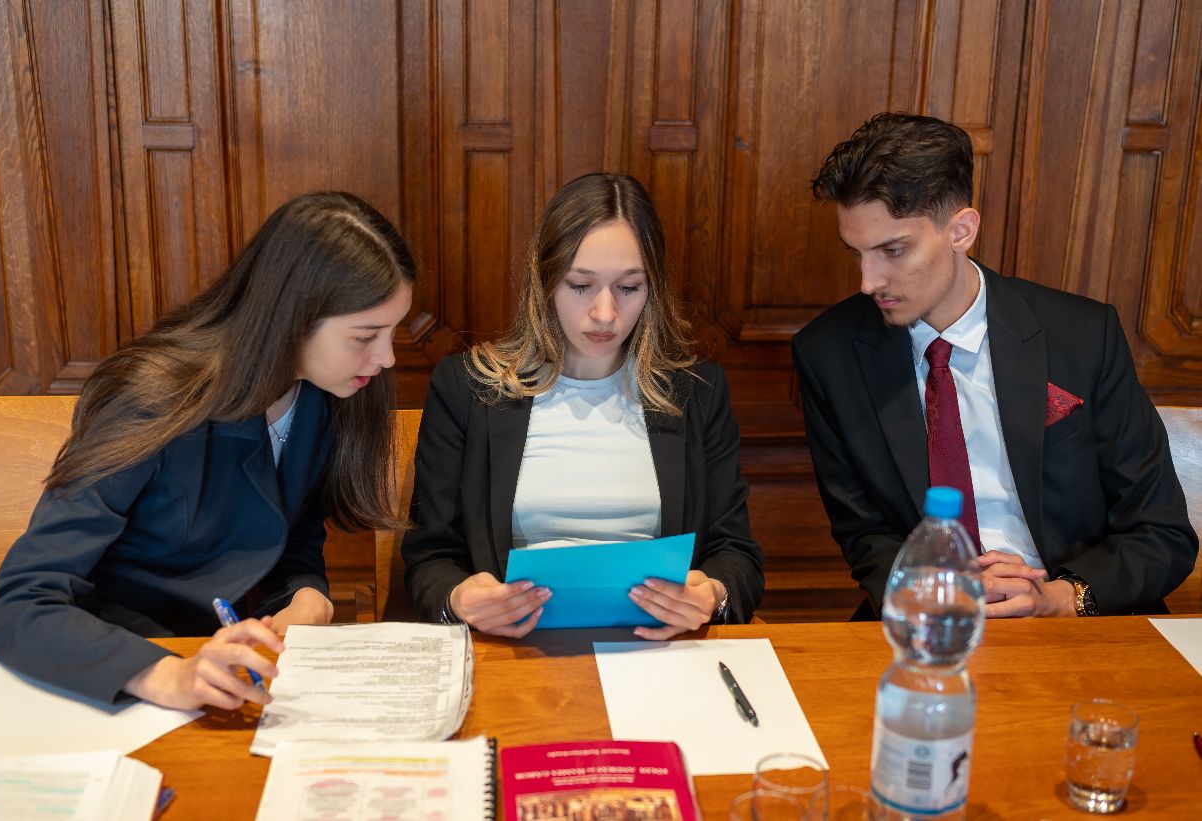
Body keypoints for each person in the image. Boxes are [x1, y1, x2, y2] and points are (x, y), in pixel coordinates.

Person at [0, 191, 416, 708]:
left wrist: (307, 596)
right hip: (102, 673)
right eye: (365, 336)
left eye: (393, 331)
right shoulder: (153, 398)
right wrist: (164, 675)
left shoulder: (325, 398)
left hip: (215, 666)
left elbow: (292, 536)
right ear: (292, 317)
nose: (387, 357)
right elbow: (19, 602)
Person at [792, 112, 1197, 619]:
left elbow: (1161, 532)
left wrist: (1061, 598)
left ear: (961, 231)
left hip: (1077, 614)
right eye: (857, 253)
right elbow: (865, 535)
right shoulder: (828, 353)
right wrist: (938, 594)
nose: (868, 282)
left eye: (893, 250)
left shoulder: (1082, 336)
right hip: (929, 616)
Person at [402, 172, 763, 638]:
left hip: (655, 652)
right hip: (517, 649)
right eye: (579, 285)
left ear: (652, 289)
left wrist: (712, 595)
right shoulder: (468, 388)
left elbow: (736, 555)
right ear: (545, 282)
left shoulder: (697, 392)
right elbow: (430, 557)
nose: (605, 314)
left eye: (629, 287)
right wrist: (459, 599)